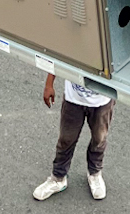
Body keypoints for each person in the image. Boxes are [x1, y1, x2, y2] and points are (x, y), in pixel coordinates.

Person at [33, 72, 114, 201]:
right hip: (73, 100)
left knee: (99, 139)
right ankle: (58, 178)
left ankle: (94, 173)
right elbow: (58, 56)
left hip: (102, 102)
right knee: (66, 139)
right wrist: (49, 84)